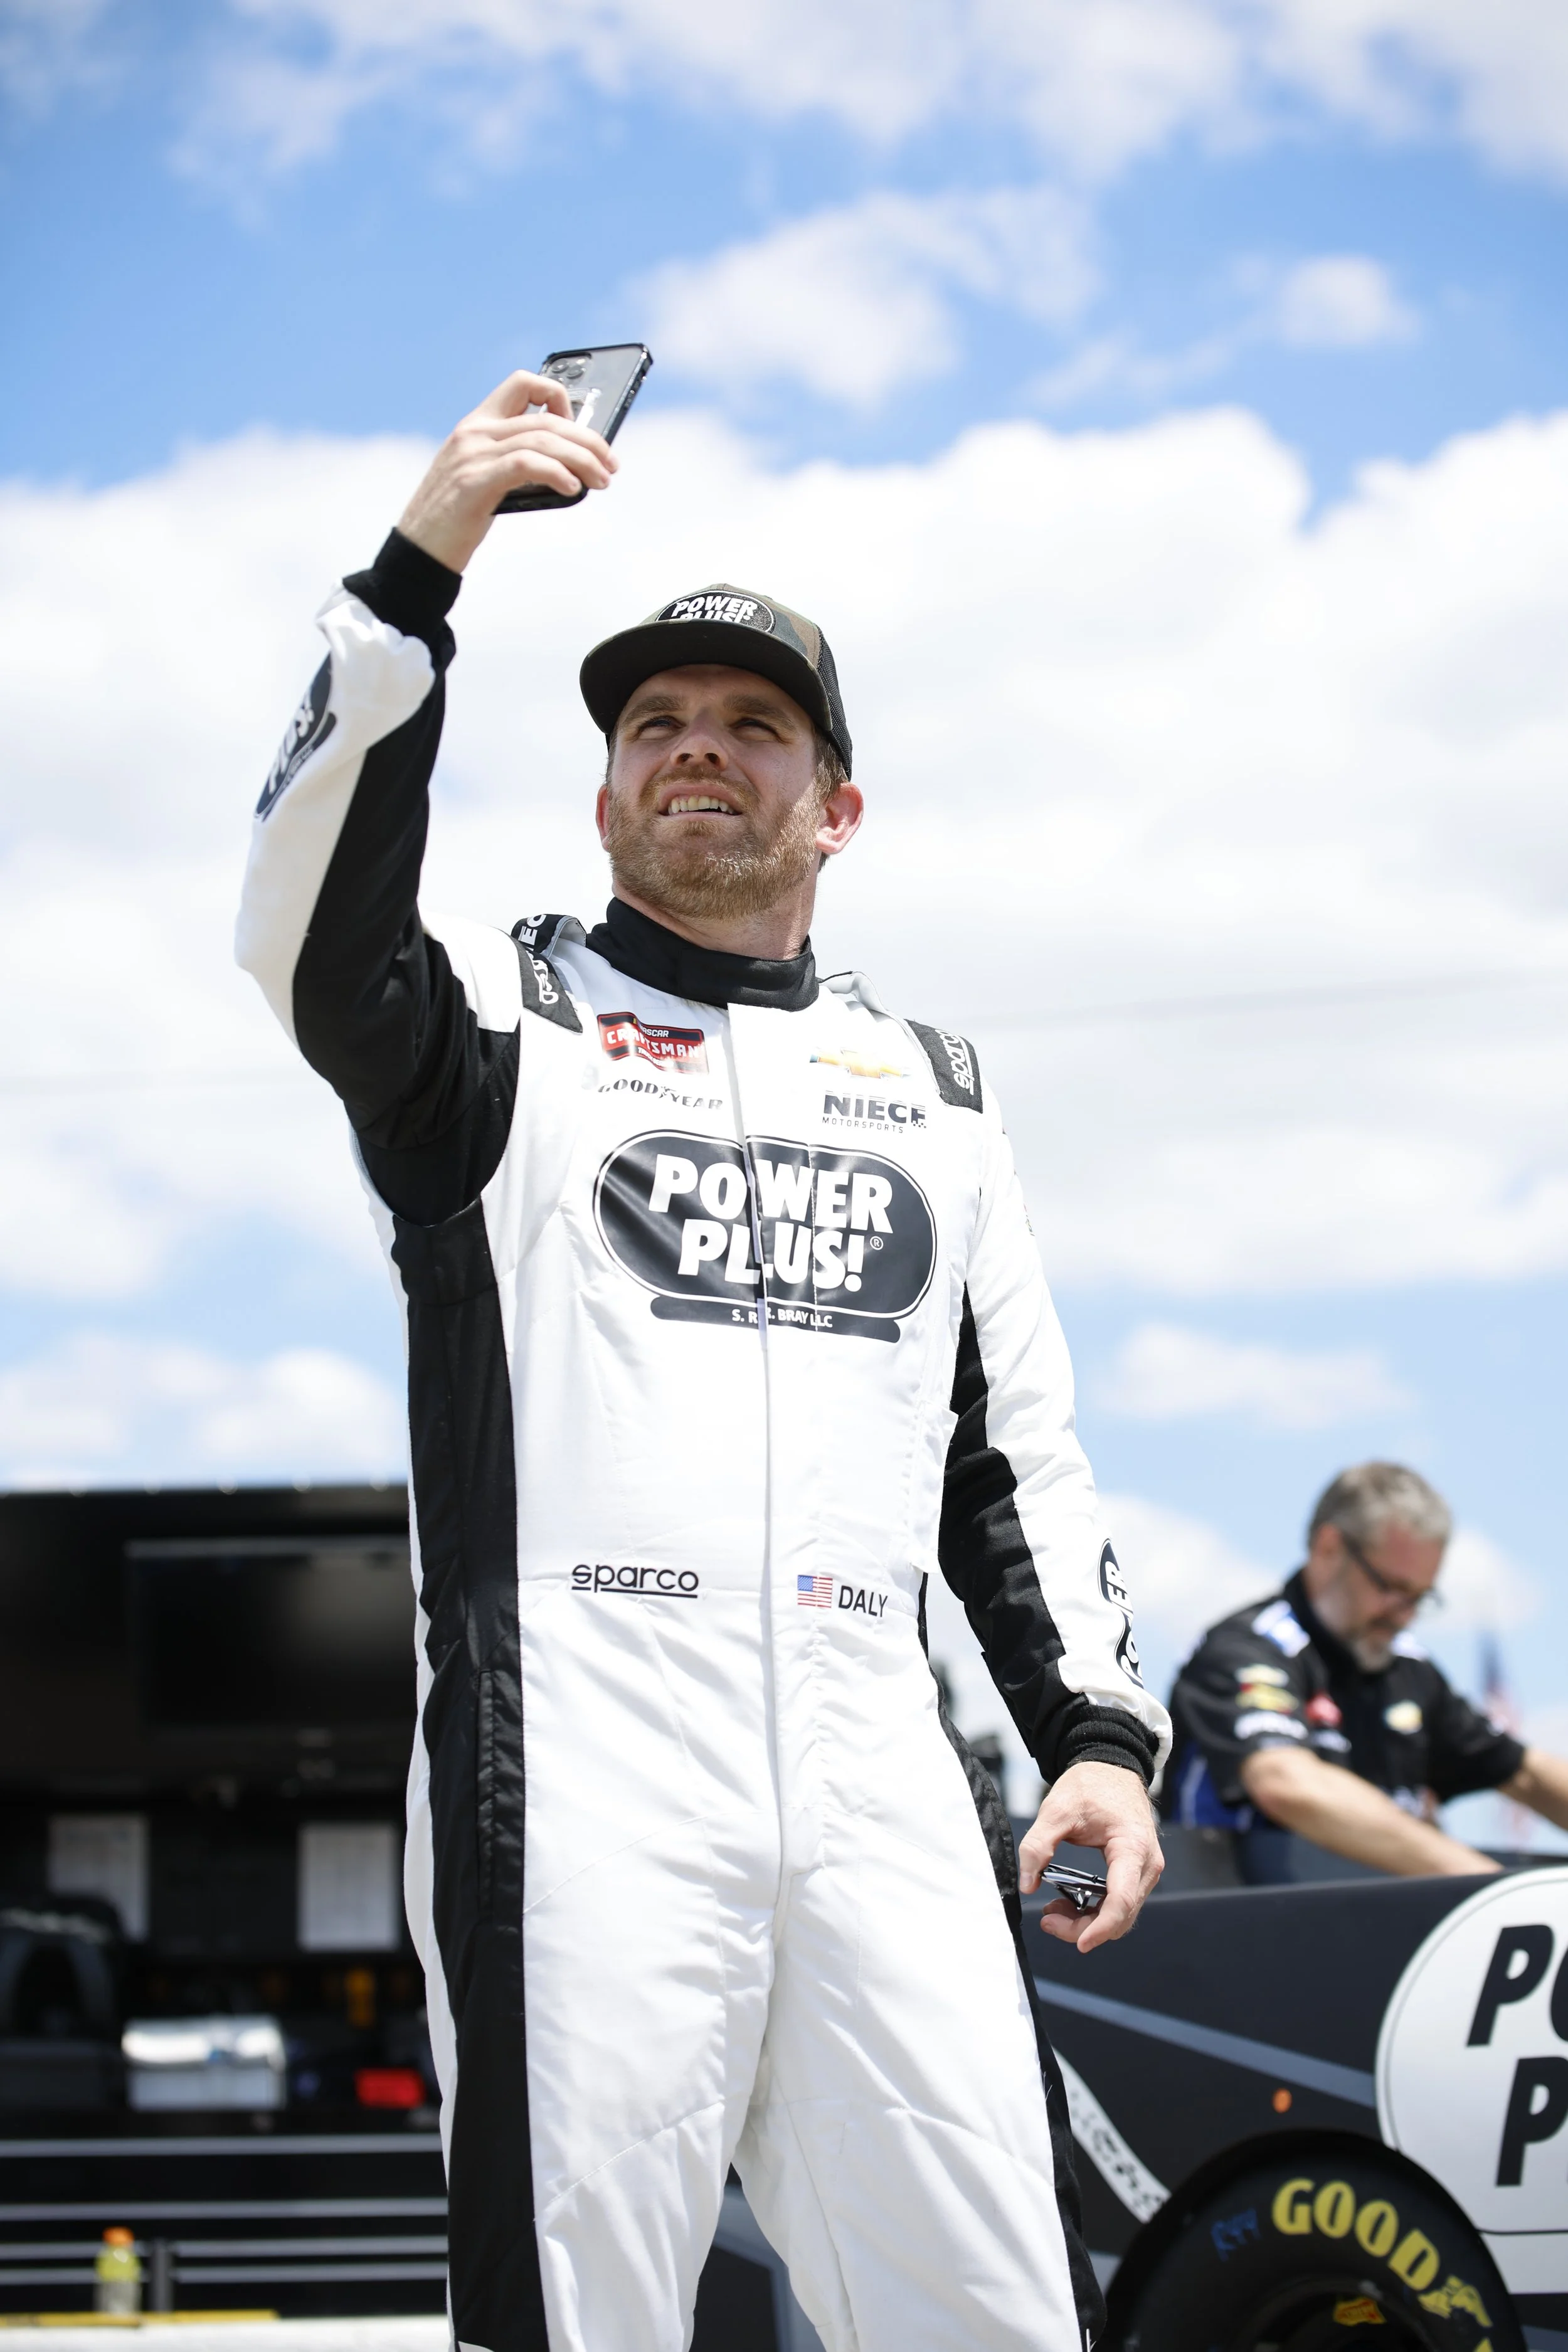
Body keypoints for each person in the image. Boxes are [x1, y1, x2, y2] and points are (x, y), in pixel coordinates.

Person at [236, 369, 1170, 2352]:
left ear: (834, 806)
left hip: (877, 1754)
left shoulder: (931, 1091)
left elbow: (1006, 1456)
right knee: (575, 2316)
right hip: (580, 1755)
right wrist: (418, 572)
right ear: (602, 798)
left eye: (753, 724)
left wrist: (1092, 1730)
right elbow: (301, 933)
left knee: (1000, 2313)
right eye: (653, 721)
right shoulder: (498, 1036)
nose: (695, 748)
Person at [1162, 1460, 1568, 1882]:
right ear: (1329, 1548)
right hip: (1231, 1913)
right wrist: (1488, 1884)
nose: (1405, 1615)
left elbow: (1524, 1773)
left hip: (1373, 1916)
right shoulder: (1245, 1648)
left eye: (1420, 1597)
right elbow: (1283, 1781)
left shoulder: (1410, 1668)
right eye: (1392, 1588)